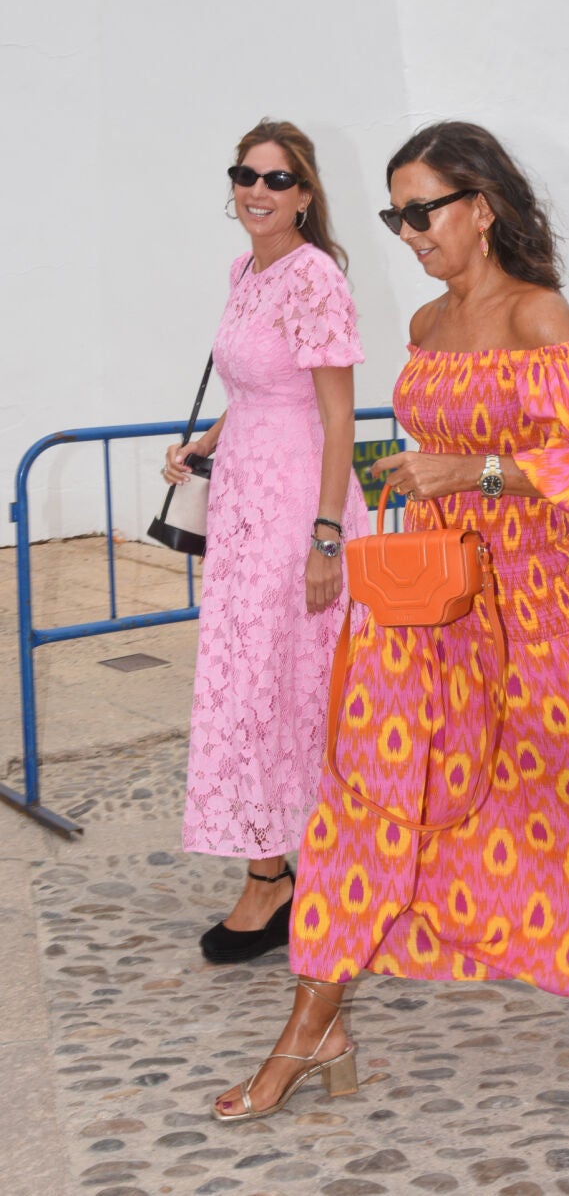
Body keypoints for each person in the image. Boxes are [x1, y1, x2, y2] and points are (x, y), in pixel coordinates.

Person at [212, 120, 569, 1121]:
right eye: (393, 214)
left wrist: (475, 469)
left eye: (423, 211)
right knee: (369, 793)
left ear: (479, 208)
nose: (407, 232)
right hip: (429, 598)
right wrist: (410, 478)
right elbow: (439, 443)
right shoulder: (422, 326)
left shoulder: (537, 316)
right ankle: (310, 1023)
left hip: (538, 600)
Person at [163, 118, 369, 965]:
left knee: (297, 688)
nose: (257, 190)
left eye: (278, 179)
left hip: (297, 510)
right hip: (244, 502)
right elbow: (258, 384)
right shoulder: (245, 268)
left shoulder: (315, 277)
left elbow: (335, 414)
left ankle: (285, 876)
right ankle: (280, 869)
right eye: (245, 174)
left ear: (307, 195)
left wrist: (326, 538)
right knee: (254, 687)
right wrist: (208, 440)